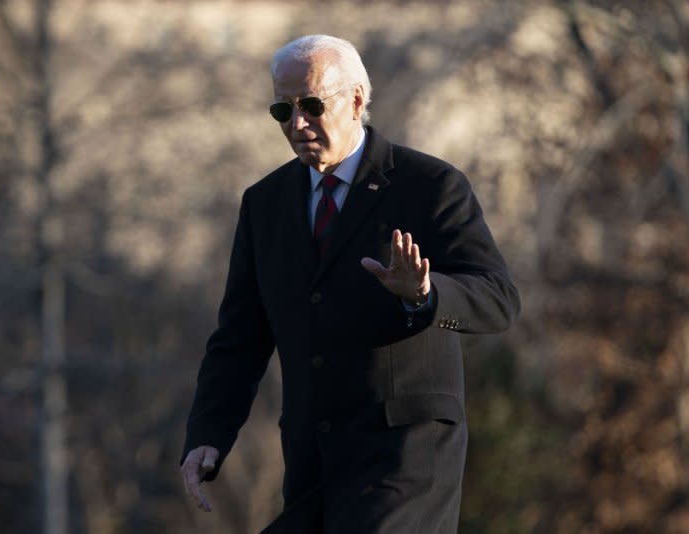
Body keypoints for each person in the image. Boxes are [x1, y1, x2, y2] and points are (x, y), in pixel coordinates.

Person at [180, 34, 520, 534]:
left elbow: (498, 298)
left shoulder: (429, 185)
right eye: (283, 110)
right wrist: (209, 431)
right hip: (313, 460)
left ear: (357, 99)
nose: (298, 124)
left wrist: (426, 295)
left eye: (313, 105)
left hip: (404, 458)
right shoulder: (265, 205)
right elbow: (239, 338)